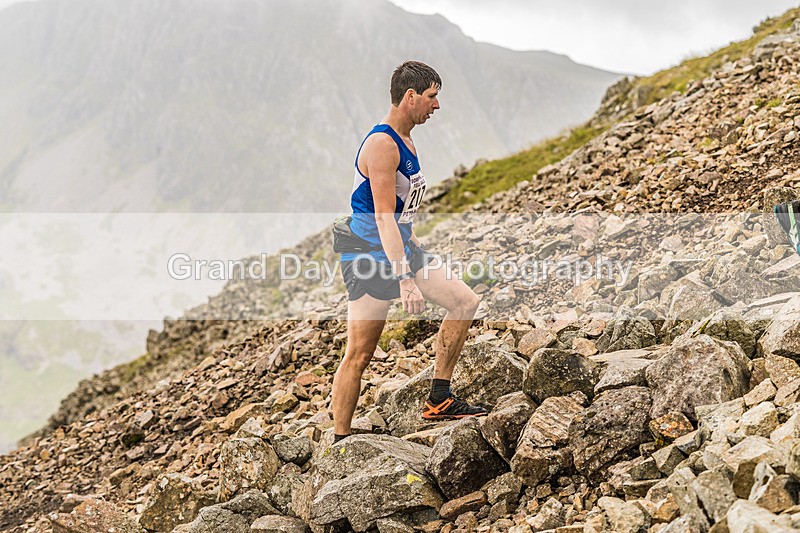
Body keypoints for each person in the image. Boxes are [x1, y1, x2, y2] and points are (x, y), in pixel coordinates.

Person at [330, 60, 487, 444]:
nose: (437, 105)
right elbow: (383, 217)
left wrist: (414, 243)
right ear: (410, 96)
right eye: (432, 96)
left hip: (401, 246)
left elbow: (401, 210)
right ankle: (340, 441)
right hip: (368, 256)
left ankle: (439, 398)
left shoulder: (408, 140)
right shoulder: (383, 145)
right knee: (360, 353)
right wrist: (405, 280)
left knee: (465, 302)